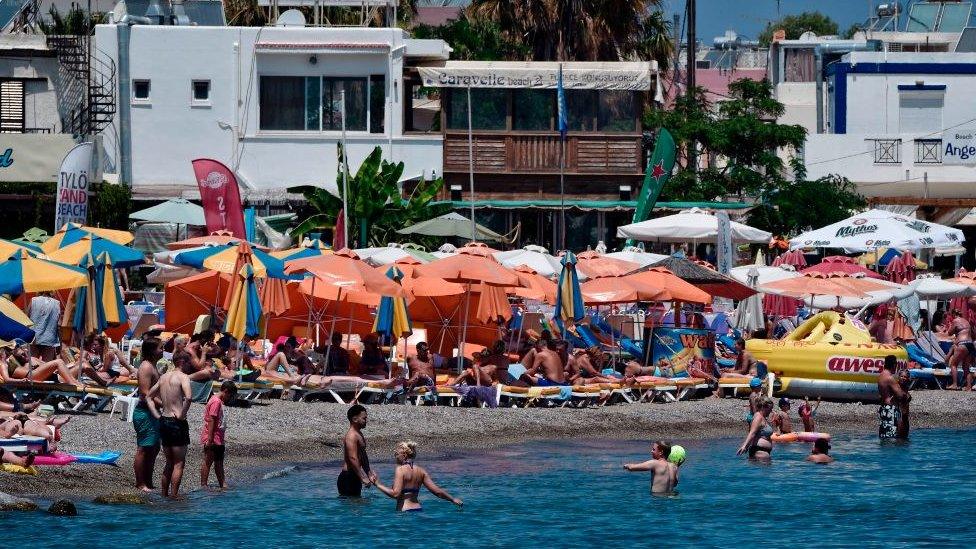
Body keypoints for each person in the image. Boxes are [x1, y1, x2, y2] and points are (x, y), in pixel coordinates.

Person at [374, 440, 463, 511]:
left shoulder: (400, 470)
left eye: (396, 454)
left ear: (404, 455)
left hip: (405, 513)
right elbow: (437, 492)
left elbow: (395, 494)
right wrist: (452, 499)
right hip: (418, 510)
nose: (395, 456)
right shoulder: (421, 471)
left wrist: (378, 484)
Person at [147, 362, 192, 499]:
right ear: (183, 362)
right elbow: (189, 397)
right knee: (179, 463)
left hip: (164, 420)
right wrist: (182, 414)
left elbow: (149, 396)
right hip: (176, 421)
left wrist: (155, 414)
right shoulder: (183, 377)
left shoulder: (163, 377)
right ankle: (174, 495)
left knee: (169, 461)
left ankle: (164, 494)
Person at [133, 338, 162, 493]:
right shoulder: (146, 367)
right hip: (144, 412)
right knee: (144, 448)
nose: (163, 350)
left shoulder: (153, 366)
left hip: (152, 412)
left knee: (154, 447)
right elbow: (145, 393)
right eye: (160, 348)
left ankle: (148, 481)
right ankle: (140, 483)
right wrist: (165, 404)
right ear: (152, 350)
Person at [201, 380, 237, 490]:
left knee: (219, 461)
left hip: (218, 437)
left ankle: (222, 484)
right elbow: (211, 419)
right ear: (225, 391)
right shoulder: (216, 401)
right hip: (213, 437)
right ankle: (204, 484)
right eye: (230, 395)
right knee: (209, 461)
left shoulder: (217, 400)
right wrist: (210, 438)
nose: (230, 398)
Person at [338, 404, 373, 497]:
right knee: (352, 508)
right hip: (348, 477)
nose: (366, 421)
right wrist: (362, 477)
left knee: (358, 507)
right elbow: (352, 458)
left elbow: (363, 456)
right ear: (354, 419)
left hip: (355, 475)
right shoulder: (351, 436)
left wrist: (369, 473)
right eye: (364, 418)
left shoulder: (359, 434)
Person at [878, 354, 910, 440]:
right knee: (891, 437)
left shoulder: (881, 375)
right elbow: (900, 395)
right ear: (894, 365)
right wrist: (905, 393)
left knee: (885, 435)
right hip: (890, 409)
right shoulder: (890, 378)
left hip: (883, 408)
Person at [737, 396, 775, 460]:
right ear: (763, 407)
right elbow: (752, 432)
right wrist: (744, 446)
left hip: (763, 452)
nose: (771, 411)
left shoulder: (763, 418)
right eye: (770, 409)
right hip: (759, 451)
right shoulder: (758, 417)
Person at [944, 309, 974, 390]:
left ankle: (954, 384)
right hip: (970, 344)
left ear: (953, 314)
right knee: (966, 367)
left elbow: (949, 333)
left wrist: (950, 325)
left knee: (953, 365)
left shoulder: (955, 320)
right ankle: (968, 387)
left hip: (962, 344)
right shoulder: (966, 321)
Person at [27, 291, 61, 361]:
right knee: (47, 366)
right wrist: (60, 343)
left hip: (34, 337)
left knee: (33, 365)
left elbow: (27, 319)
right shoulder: (57, 303)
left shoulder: (33, 300)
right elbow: (59, 325)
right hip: (50, 339)